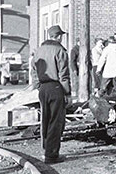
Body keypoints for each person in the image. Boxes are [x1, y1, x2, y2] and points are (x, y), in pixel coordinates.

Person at [32, 25, 71, 164]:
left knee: (45, 119)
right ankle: (52, 154)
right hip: (56, 87)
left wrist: (38, 86)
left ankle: (45, 150)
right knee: (56, 120)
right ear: (59, 36)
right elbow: (63, 75)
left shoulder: (38, 50)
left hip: (43, 88)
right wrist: (67, 93)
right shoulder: (60, 50)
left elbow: (33, 70)